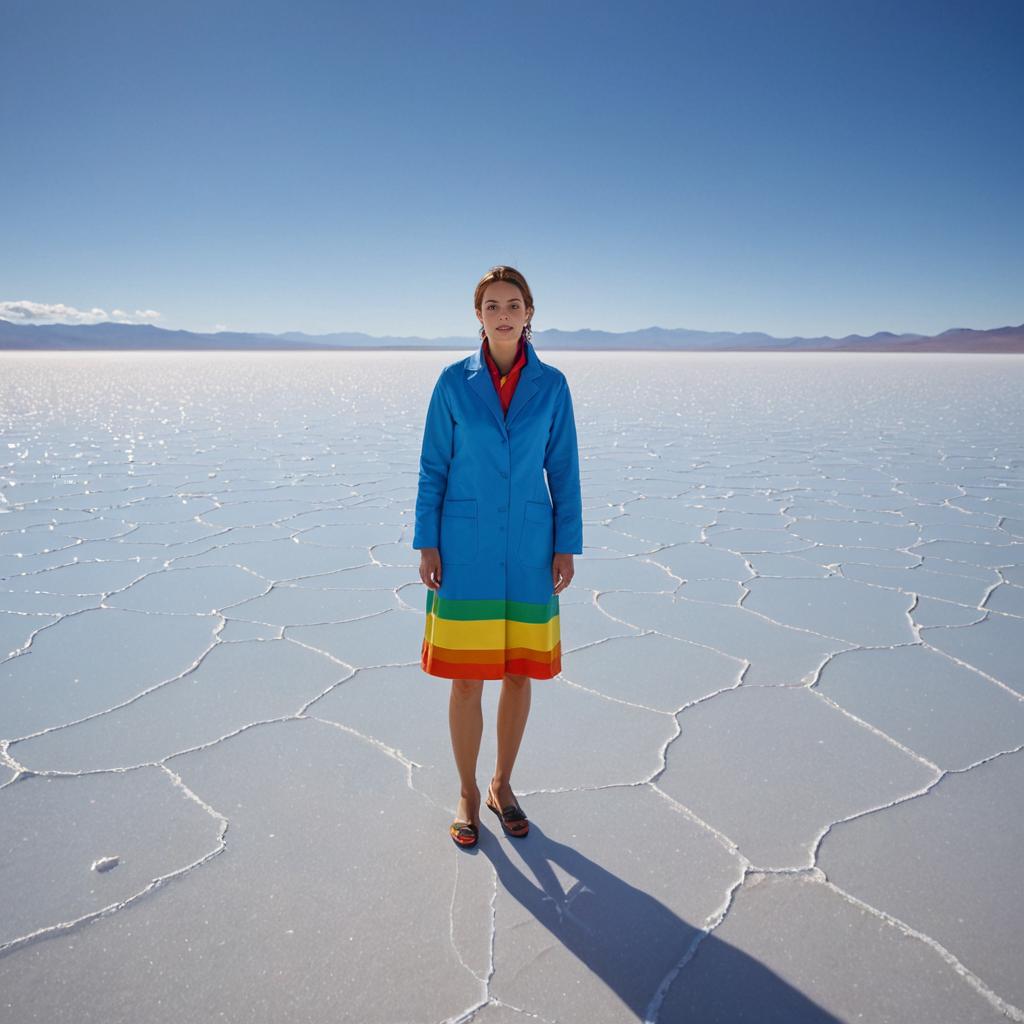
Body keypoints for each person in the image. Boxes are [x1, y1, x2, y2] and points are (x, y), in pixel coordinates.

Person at [413, 265, 583, 848]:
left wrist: (565, 544)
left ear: (530, 313)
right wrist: (427, 540)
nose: (503, 314)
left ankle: (502, 784)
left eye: (514, 304)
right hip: (464, 548)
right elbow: (433, 466)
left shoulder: (553, 385)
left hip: (531, 547)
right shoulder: (452, 383)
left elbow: (563, 469)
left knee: (517, 673)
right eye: (492, 305)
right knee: (466, 680)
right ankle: (465, 791)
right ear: (478, 315)